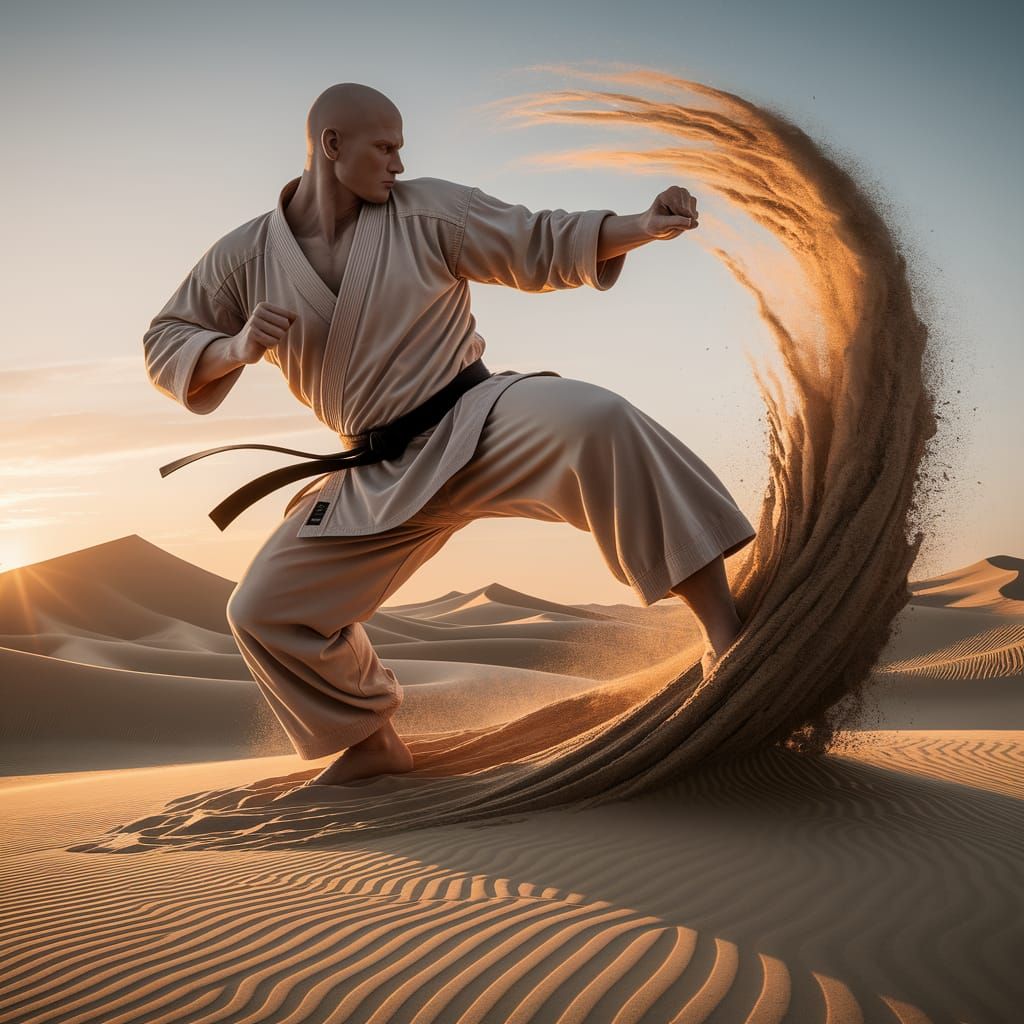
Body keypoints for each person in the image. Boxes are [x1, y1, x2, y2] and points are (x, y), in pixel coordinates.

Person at [143, 83, 755, 786]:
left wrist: (642, 225)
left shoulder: (425, 210)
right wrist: (234, 348)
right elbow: (167, 340)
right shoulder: (245, 258)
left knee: (597, 420)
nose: (399, 162)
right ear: (331, 147)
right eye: (386, 147)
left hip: (479, 420)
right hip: (374, 472)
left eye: (402, 147)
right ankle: (370, 744)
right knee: (262, 610)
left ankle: (725, 634)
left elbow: (537, 240)